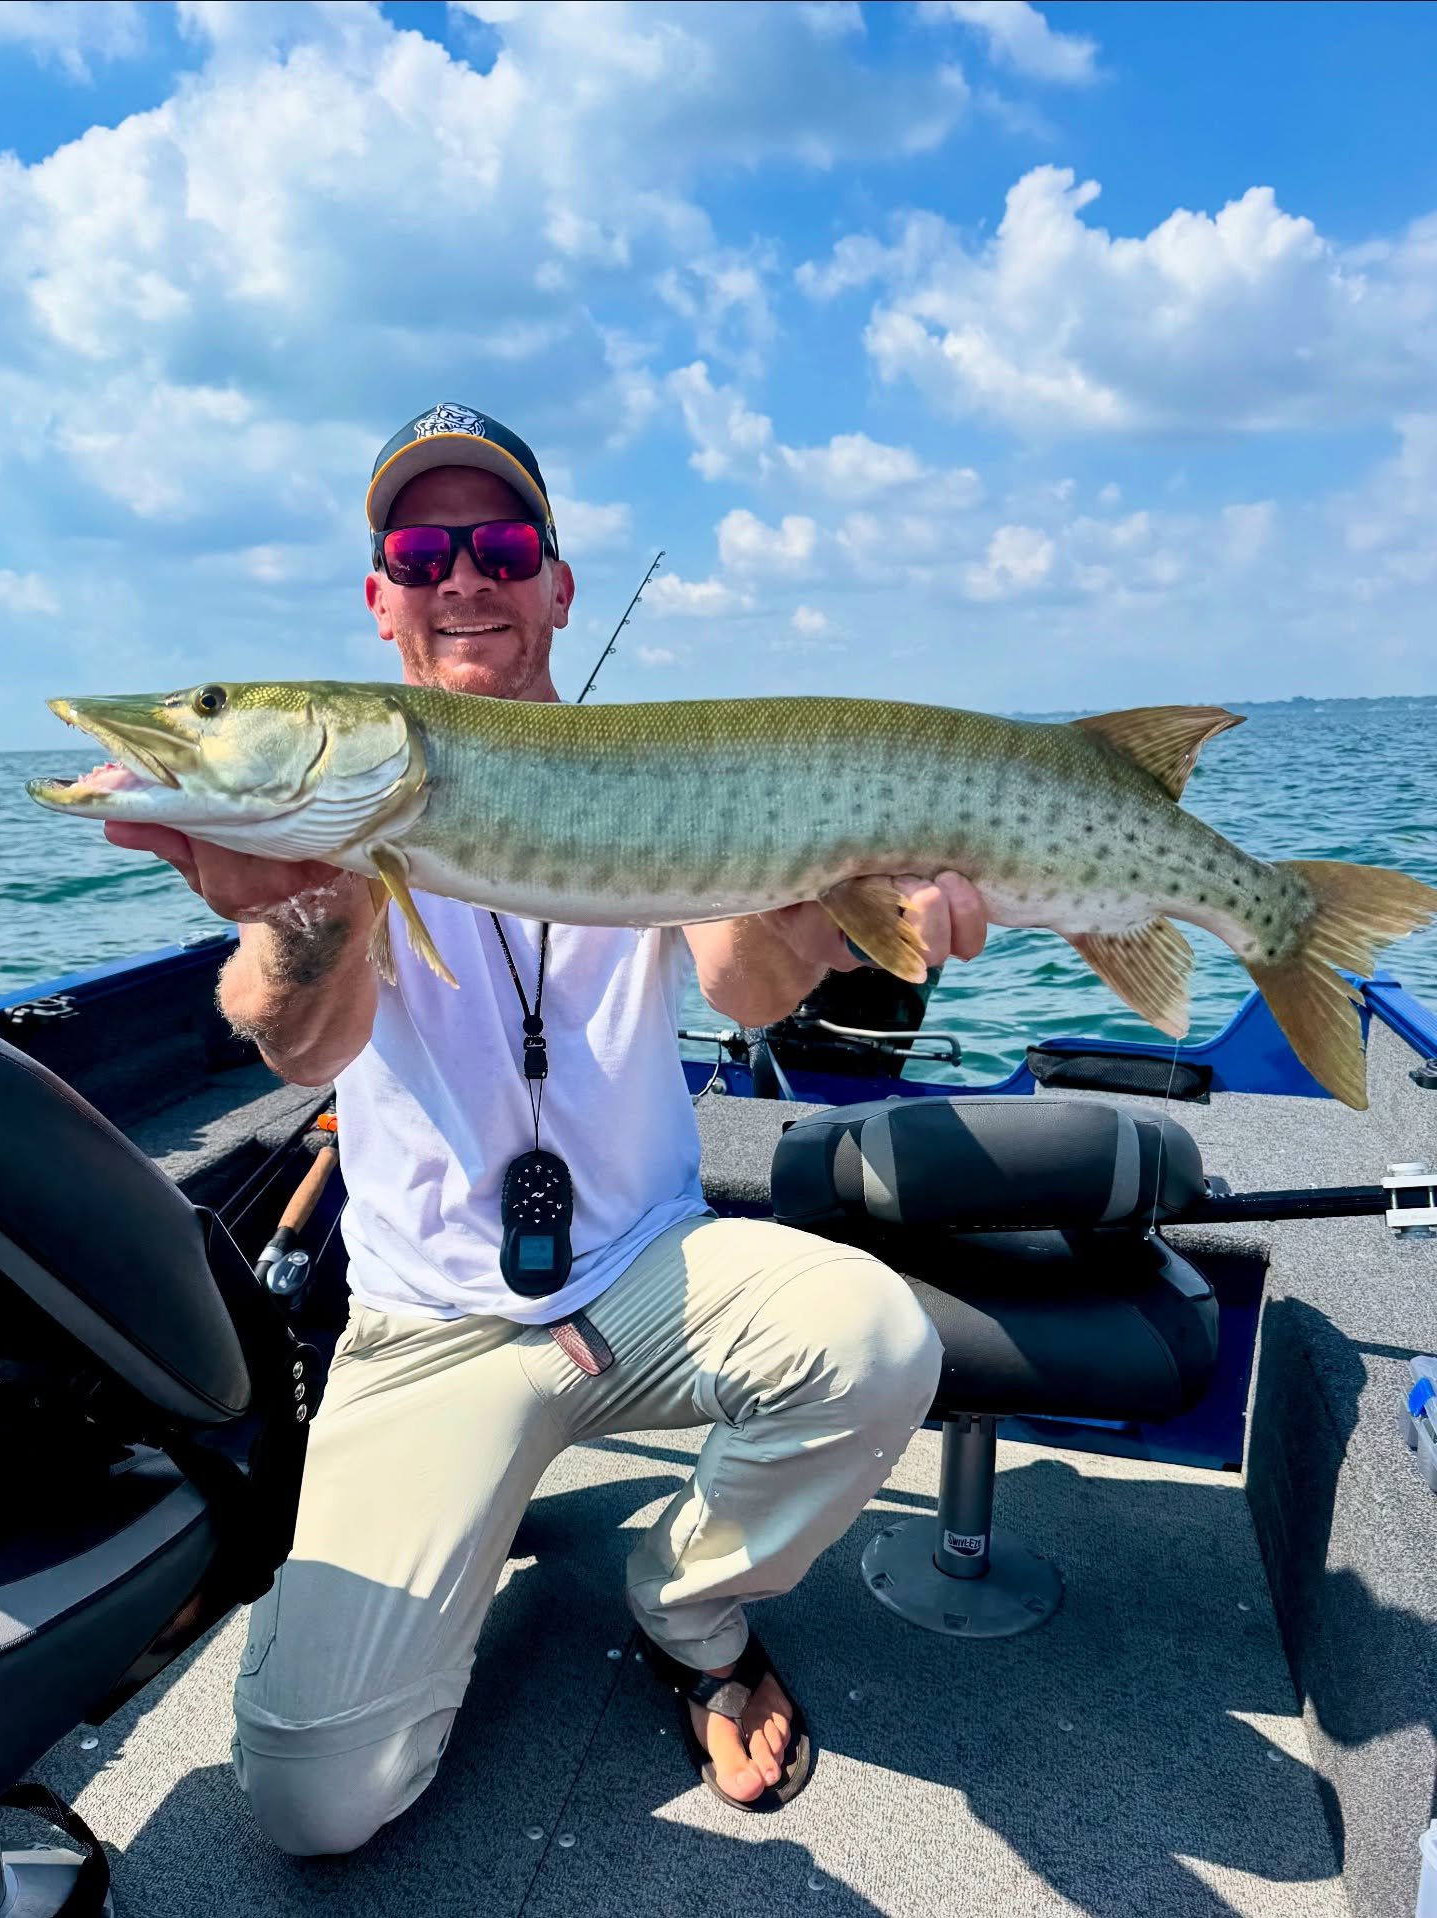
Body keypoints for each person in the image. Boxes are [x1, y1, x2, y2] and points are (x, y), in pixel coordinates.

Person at [106, 403, 987, 1853]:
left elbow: (740, 978)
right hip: (427, 1326)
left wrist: (829, 922)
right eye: (424, 548)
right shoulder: (351, 805)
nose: (467, 576)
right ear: (379, 597)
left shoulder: (659, 773)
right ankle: (442, 1548)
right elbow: (295, 1030)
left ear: (558, 586)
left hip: (648, 1277)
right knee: (311, 1801)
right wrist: (313, 909)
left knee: (879, 1342)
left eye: (504, 544)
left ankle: (689, 1599)